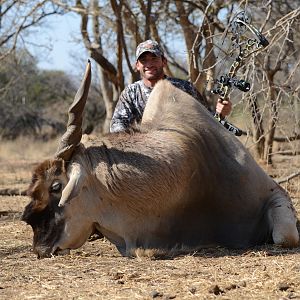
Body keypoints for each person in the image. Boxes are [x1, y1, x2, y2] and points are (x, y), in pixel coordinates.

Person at [110, 40, 232, 133]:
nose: (149, 64)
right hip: (145, 153)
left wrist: (221, 113)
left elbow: (207, 120)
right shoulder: (131, 93)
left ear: (164, 62)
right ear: (137, 65)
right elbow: (117, 126)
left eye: (154, 58)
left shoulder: (184, 88)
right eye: (143, 60)